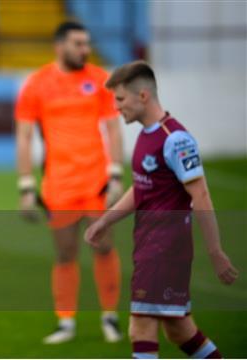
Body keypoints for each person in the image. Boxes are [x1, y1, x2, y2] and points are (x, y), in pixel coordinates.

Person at [85, 60, 238, 358]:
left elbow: (202, 195)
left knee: (140, 328)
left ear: (142, 96)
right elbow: (141, 188)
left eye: (120, 99)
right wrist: (105, 221)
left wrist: (216, 252)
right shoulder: (146, 135)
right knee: (179, 330)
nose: (116, 108)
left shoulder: (175, 139)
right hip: (150, 247)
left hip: (164, 251)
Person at [15, 21, 124, 343]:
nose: (84, 50)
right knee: (65, 253)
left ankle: (110, 316)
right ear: (60, 46)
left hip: (97, 181)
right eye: (78, 44)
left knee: (104, 246)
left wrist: (116, 173)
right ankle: (66, 321)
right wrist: (25, 187)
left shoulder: (99, 80)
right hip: (59, 186)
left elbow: (114, 128)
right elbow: (23, 136)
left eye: (86, 44)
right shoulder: (37, 84)